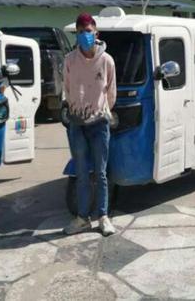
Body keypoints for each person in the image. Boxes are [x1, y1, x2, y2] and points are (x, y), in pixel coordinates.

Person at [63, 13, 117, 236]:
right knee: (82, 173)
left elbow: (111, 92)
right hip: (77, 124)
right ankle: (83, 218)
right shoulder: (69, 60)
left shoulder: (106, 61)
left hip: (99, 124)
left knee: (101, 173)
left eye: (88, 31)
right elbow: (67, 89)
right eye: (80, 32)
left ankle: (103, 217)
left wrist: (101, 112)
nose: (85, 35)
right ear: (76, 34)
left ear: (96, 33)